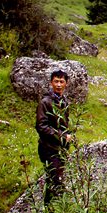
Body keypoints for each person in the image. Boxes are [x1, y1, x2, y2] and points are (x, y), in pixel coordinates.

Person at [36, 69, 74, 203]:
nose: (58, 85)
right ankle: (50, 209)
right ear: (51, 83)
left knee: (58, 177)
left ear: (66, 84)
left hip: (60, 148)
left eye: (61, 82)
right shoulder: (45, 102)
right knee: (55, 179)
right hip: (48, 147)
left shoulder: (64, 101)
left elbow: (64, 124)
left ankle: (53, 209)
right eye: (56, 81)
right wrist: (61, 137)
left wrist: (68, 136)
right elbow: (41, 126)